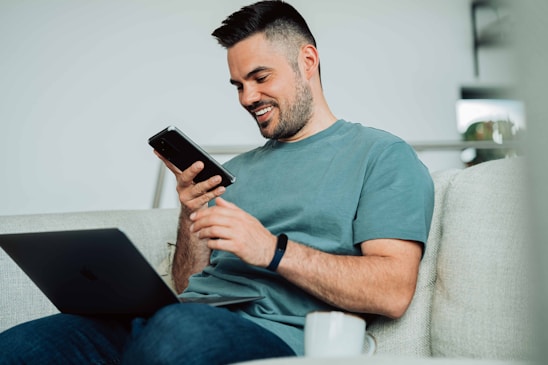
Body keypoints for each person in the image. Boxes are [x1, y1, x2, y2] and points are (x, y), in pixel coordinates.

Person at [0, 1, 434, 364]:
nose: (247, 98)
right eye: (238, 85)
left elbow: (392, 290)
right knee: (24, 346)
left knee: (176, 331)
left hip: (272, 338)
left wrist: (271, 250)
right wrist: (191, 213)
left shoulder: (380, 155)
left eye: (260, 78)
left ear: (307, 61)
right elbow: (189, 287)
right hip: (178, 322)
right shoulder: (235, 171)